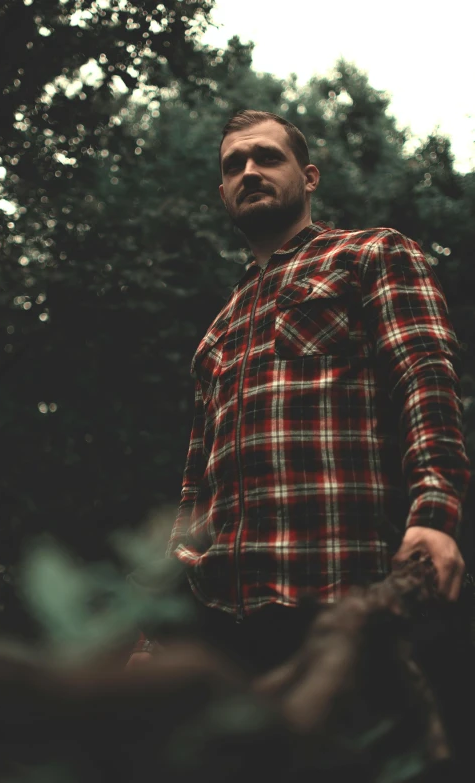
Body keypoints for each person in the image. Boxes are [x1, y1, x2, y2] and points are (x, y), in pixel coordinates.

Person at [128, 110, 470, 674]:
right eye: (234, 164)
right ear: (222, 192)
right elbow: (196, 488)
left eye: (267, 156)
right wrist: (157, 626)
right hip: (229, 631)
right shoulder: (219, 328)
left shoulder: (370, 255)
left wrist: (433, 516)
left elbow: (425, 380)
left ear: (308, 177)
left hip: (353, 596)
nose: (250, 171)